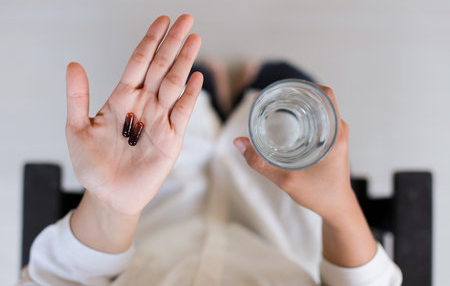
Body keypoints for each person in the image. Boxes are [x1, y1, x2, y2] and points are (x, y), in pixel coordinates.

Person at [18, 14, 402, 286]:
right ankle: (234, 95)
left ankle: (217, 97)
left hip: (154, 210)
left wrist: (112, 205)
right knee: (279, 79)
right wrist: (339, 208)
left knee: (187, 83)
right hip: (275, 223)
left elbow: (56, 279)